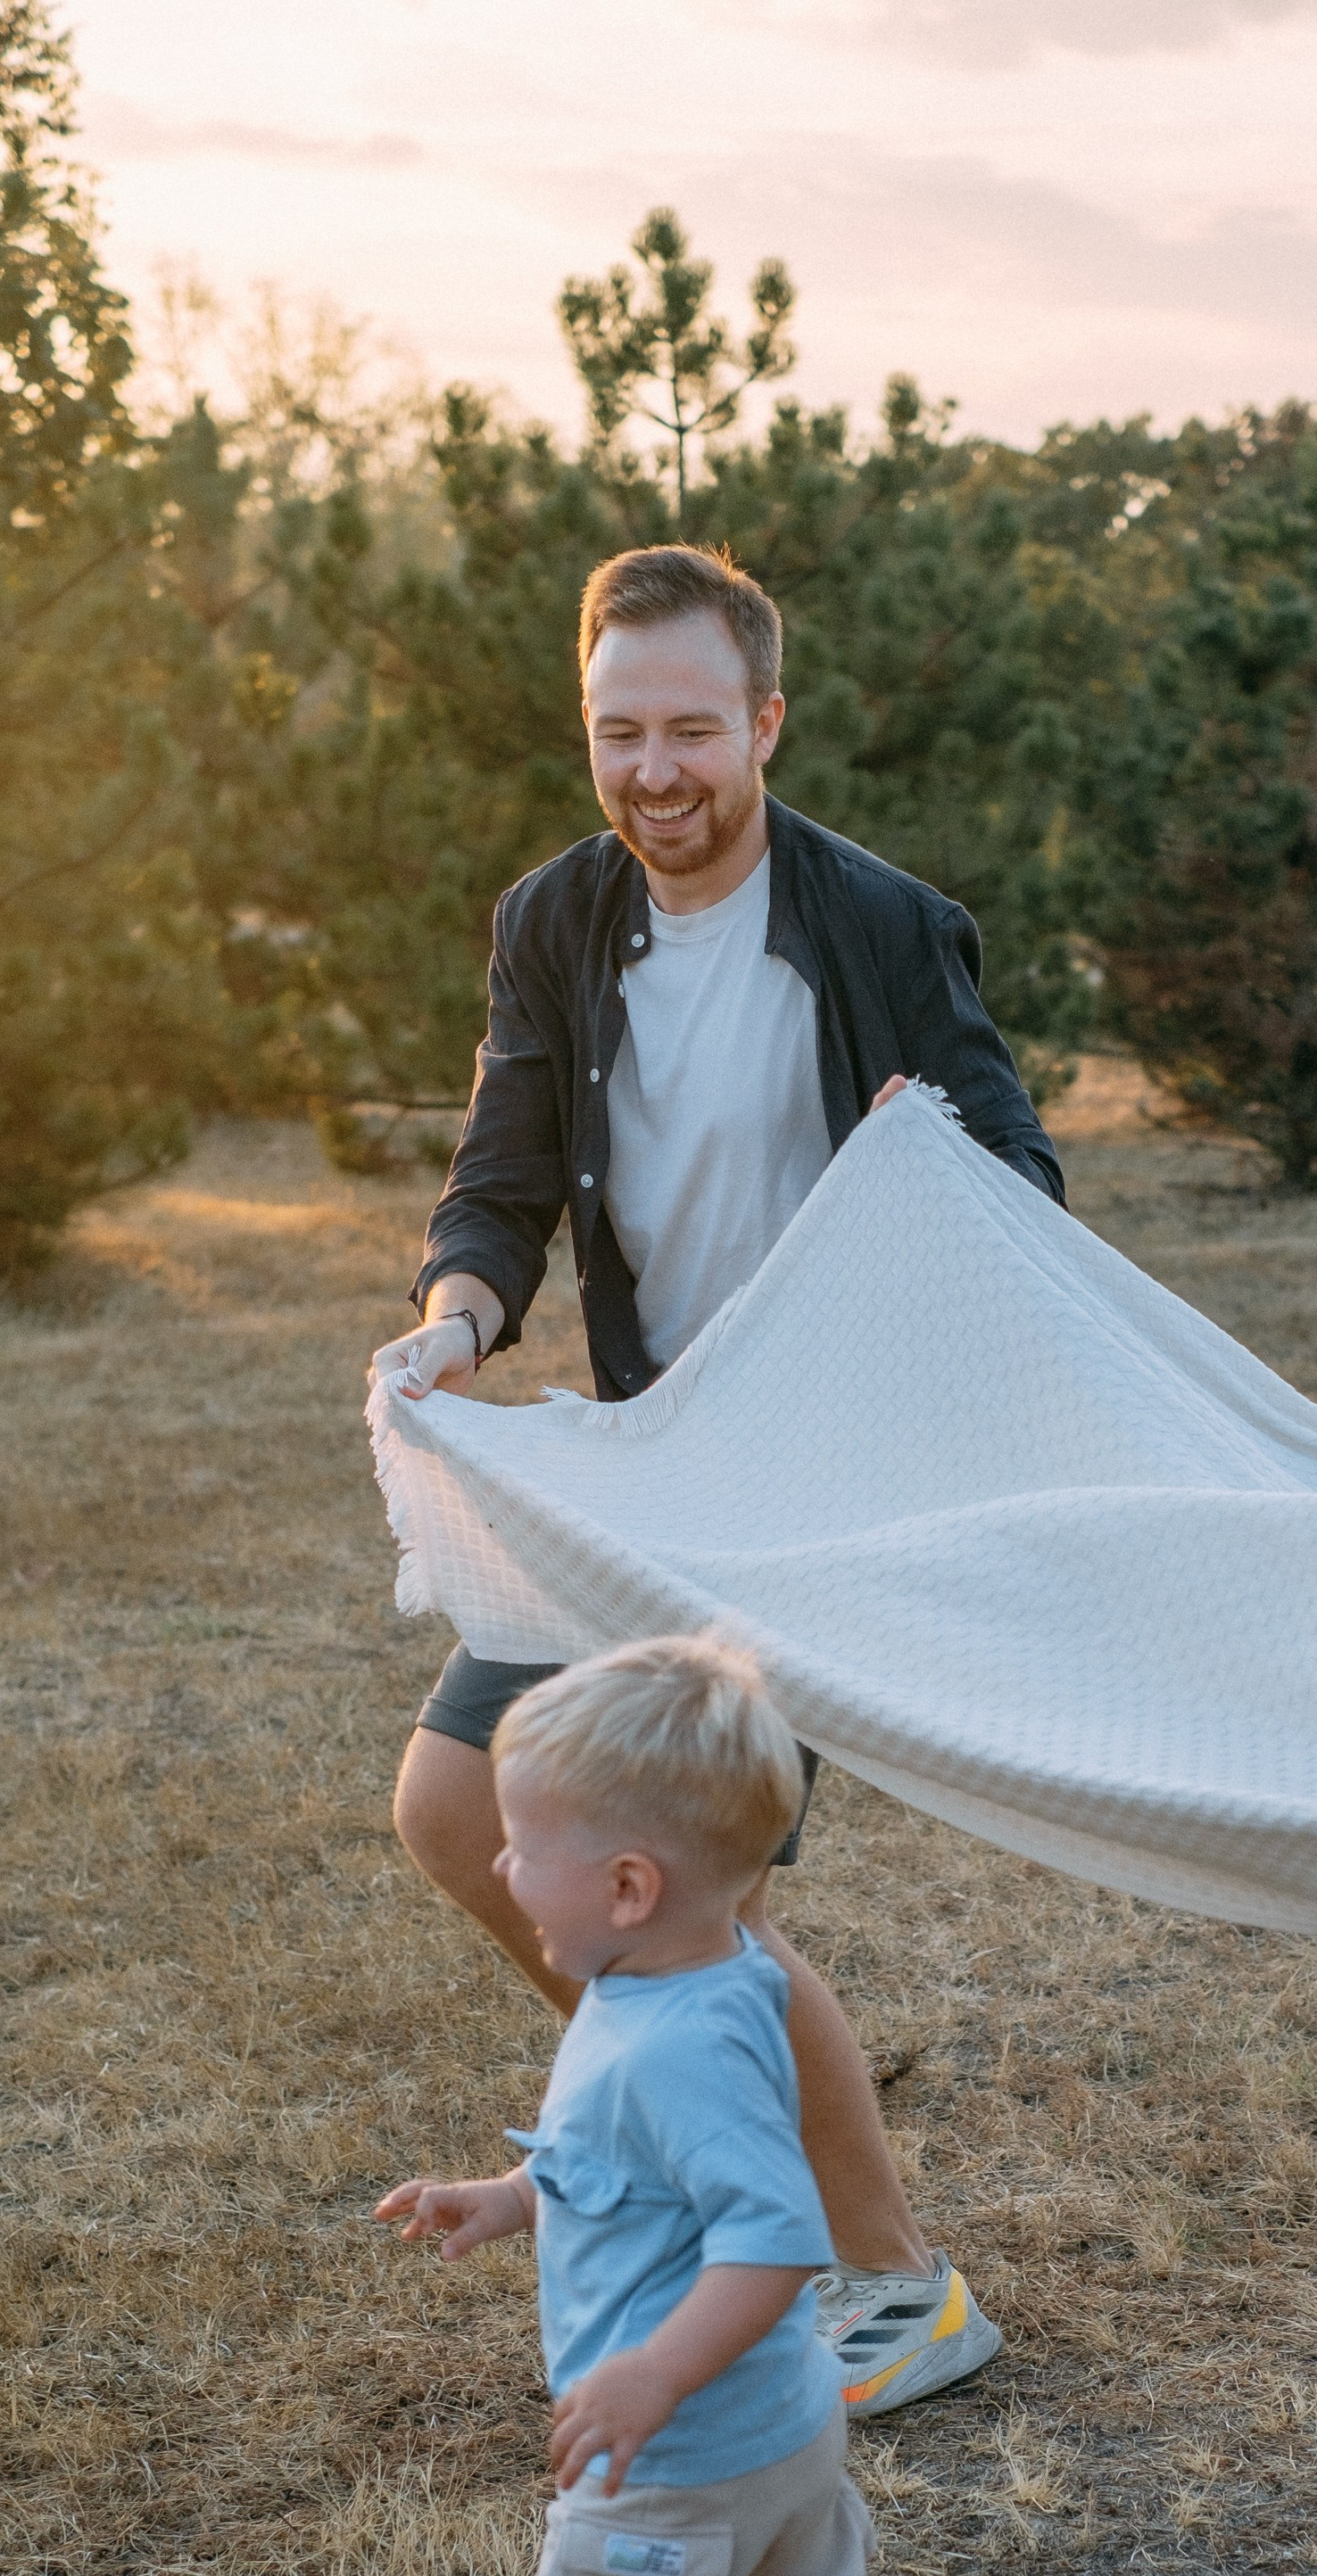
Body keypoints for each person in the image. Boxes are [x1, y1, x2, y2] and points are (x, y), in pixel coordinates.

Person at [369, 540, 1066, 2421]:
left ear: (763, 722)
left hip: (832, 1469)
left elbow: (1021, 1183)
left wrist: (936, 1166)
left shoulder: (879, 924)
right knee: (455, 1804)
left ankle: (892, 2283)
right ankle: (687, 2151)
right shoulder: (554, 920)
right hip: (652, 1451)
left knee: (690, 1908)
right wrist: (452, 1323)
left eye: (690, 729)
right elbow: (499, 1185)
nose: (653, 771)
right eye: (618, 733)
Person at [377, 1636, 1147, 2576]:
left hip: (682, 2447)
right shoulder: (697, 1976)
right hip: (771, 2430)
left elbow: (777, 2236)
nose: (498, 1869)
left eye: (522, 1846)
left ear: (627, 1884)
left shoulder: (674, 2035)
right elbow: (629, 2165)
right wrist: (511, 2195)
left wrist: (649, 2374)